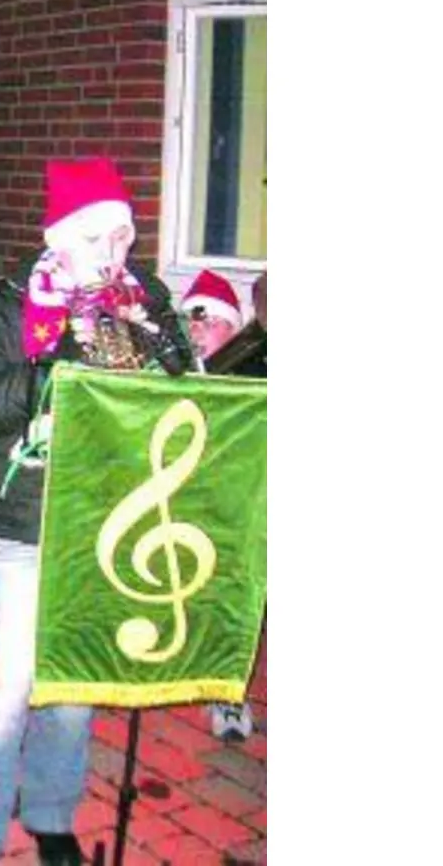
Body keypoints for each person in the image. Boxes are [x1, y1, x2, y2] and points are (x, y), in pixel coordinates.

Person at [0, 157, 196, 866]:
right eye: (94, 238)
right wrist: (42, 374)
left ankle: (50, 814)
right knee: (8, 686)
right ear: (56, 238)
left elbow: (184, 391)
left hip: (109, 517)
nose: (112, 253)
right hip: (26, 517)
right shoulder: (14, 301)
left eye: (122, 237)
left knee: (75, 682)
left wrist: (165, 343)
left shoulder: (145, 296)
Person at [179, 269, 262, 740]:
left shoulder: (252, 374)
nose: (197, 330)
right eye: (191, 321)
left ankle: (228, 692)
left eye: (209, 321)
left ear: (234, 328)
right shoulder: (174, 373)